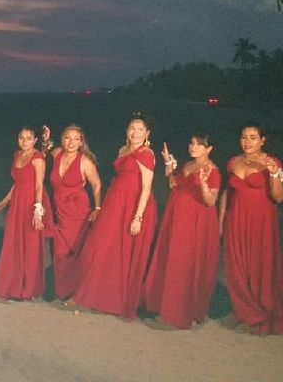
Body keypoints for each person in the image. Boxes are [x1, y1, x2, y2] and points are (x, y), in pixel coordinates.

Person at [67, 112, 157, 319]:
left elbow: (146, 188)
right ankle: (91, 295)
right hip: (115, 202)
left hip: (135, 205)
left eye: (140, 130)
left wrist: (138, 217)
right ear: (127, 130)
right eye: (132, 128)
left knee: (125, 252)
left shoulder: (146, 154)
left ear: (147, 133)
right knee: (100, 245)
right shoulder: (123, 149)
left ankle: (116, 300)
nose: (135, 133)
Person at [144, 134, 220, 329]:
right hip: (177, 218)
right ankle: (167, 307)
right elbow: (172, 184)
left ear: (209, 149)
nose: (193, 147)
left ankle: (181, 312)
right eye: (192, 143)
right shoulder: (188, 166)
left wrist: (203, 183)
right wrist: (168, 163)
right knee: (173, 259)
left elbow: (210, 201)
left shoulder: (212, 170)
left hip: (195, 222)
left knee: (186, 263)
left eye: (199, 145)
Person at [219, 123, 283, 334]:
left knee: (259, 265)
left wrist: (274, 174)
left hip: (262, 221)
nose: (247, 141)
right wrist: (221, 223)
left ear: (263, 140)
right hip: (236, 219)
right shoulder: (233, 162)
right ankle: (242, 311)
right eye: (244, 137)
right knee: (237, 266)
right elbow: (227, 194)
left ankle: (261, 312)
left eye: (253, 137)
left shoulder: (271, 162)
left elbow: (278, 197)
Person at [0, 127, 53, 300]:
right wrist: (4, 201)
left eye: (28, 138)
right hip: (17, 203)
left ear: (35, 141)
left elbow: (39, 185)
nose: (24, 141)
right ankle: (14, 285)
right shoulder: (17, 155)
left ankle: (29, 289)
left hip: (31, 203)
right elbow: (17, 184)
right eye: (21, 138)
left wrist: (38, 211)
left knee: (31, 245)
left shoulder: (38, 158)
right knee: (14, 242)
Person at [43, 125, 101, 301]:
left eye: (76, 139)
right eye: (68, 137)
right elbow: (45, 154)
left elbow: (97, 185)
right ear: (63, 139)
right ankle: (63, 289)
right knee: (57, 250)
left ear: (81, 142)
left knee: (70, 251)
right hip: (58, 208)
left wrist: (97, 208)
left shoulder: (85, 162)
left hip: (77, 212)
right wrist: (46, 142)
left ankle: (72, 289)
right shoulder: (57, 154)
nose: (71, 142)